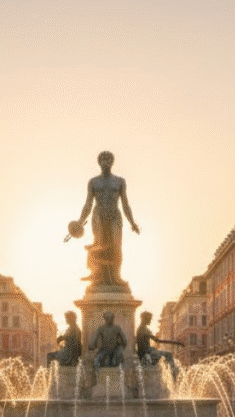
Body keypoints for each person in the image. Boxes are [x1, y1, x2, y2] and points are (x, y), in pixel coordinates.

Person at [72, 151, 140, 287]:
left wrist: (132, 222)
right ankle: (97, 274)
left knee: (116, 246)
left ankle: (116, 277)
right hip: (98, 215)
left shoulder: (120, 181)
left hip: (114, 214)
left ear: (112, 162)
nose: (105, 162)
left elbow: (125, 203)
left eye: (108, 159)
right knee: (98, 245)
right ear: (99, 162)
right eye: (102, 159)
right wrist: (80, 222)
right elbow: (88, 204)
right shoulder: (93, 182)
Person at [135, 312, 182, 377]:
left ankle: (171, 373)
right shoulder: (143, 329)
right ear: (145, 319)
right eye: (149, 319)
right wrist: (176, 343)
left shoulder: (142, 329)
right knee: (168, 354)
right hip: (146, 354)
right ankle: (174, 375)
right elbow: (158, 340)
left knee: (163, 357)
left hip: (147, 353)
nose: (150, 321)